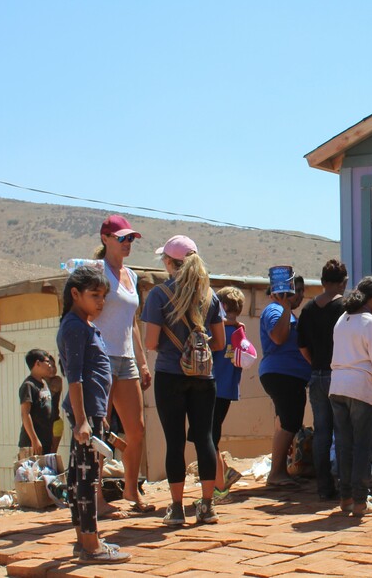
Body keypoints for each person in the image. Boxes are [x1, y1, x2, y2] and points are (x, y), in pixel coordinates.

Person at [142, 235, 227, 527]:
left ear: (169, 262)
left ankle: (176, 508)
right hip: (204, 376)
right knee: (205, 439)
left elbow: (151, 342)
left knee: (174, 441)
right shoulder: (210, 297)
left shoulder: (158, 295)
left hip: (169, 374)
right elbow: (220, 343)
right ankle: (206, 506)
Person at [58, 265, 129, 564]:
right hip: (85, 415)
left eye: (103, 296)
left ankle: (84, 542)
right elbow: (75, 378)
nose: (100, 302)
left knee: (79, 478)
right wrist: (84, 420)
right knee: (88, 480)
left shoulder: (85, 325)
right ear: (76, 294)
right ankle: (91, 545)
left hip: (93, 413)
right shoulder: (75, 327)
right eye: (94, 295)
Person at [91, 214, 154, 514]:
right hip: (100, 356)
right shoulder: (95, 271)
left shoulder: (132, 275)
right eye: (122, 238)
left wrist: (142, 362)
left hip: (126, 358)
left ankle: (131, 489)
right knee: (98, 428)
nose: (128, 243)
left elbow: (134, 323)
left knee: (136, 428)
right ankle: (95, 497)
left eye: (131, 238)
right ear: (105, 239)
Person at [329, 276, 372, 517]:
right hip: (362, 389)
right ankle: (361, 501)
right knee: (364, 447)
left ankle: (346, 498)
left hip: (338, 388)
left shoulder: (341, 321)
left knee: (344, 446)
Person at [299, 259, 350, 501]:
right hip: (339, 375)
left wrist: (316, 364)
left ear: (321, 282)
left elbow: (302, 347)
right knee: (342, 430)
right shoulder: (346, 308)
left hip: (317, 375)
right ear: (345, 282)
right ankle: (345, 484)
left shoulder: (308, 310)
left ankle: (324, 487)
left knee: (321, 431)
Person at [259, 273, 311, 488]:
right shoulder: (275, 310)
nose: (299, 295)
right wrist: (287, 308)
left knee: (285, 422)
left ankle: (279, 471)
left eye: (300, 291)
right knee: (290, 421)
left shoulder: (286, 313)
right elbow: (278, 337)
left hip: (290, 375)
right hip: (283, 374)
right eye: (295, 290)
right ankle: (277, 472)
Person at [212, 286, 257, 500]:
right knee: (212, 435)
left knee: (208, 437)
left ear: (224, 306)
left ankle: (220, 486)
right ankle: (223, 475)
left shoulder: (218, 329)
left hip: (212, 388)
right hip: (228, 389)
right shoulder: (239, 331)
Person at [18, 349, 57, 458]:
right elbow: (25, 414)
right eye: (47, 362)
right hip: (32, 444)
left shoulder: (44, 383)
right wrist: (34, 440)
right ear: (38, 363)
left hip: (46, 441)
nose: (50, 365)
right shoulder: (29, 385)